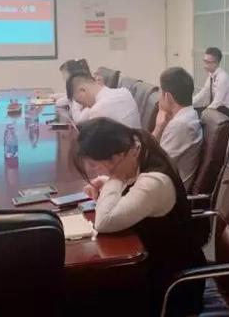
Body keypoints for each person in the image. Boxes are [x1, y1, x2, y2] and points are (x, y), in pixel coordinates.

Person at [74, 118, 206, 315]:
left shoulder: (154, 181)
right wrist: (111, 179)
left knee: (81, 294)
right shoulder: (139, 145)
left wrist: (115, 179)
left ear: (118, 156)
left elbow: (104, 222)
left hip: (172, 284)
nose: (96, 170)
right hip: (151, 264)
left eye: (97, 165)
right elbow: (133, 188)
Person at [152, 67, 203, 190]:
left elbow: (153, 165)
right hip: (165, 185)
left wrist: (157, 129)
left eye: (160, 92)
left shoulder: (180, 125)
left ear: (168, 97)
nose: (158, 98)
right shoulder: (188, 116)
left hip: (169, 192)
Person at [67, 72, 141, 128]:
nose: (83, 106)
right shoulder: (124, 92)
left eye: (79, 102)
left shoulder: (97, 110)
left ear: (82, 91)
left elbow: (92, 142)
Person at [192, 47, 229, 119]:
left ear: (216, 63)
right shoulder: (212, 75)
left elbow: (217, 102)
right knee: (193, 112)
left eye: (207, 62)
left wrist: (204, 113)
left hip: (226, 111)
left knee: (197, 116)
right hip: (217, 108)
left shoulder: (222, 78)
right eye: (204, 61)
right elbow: (203, 92)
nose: (205, 64)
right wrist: (190, 103)